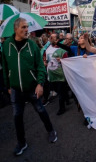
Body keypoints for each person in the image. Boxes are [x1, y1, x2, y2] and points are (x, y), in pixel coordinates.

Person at [2, 18, 57, 156]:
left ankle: (51, 130)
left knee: (40, 110)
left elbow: (40, 67)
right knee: (17, 117)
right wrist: (8, 86)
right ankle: (22, 142)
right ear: (16, 29)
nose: (27, 30)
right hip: (15, 90)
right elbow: (5, 67)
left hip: (32, 88)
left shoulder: (32, 45)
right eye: (23, 27)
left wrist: (40, 83)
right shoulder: (7, 45)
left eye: (27, 27)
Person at [43, 33, 69, 115]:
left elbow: (67, 62)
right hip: (51, 74)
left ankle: (62, 108)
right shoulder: (47, 49)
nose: (50, 38)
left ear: (57, 40)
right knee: (57, 90)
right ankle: (67, 98)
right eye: (50, 36)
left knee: (60, 91)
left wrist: (62, 60)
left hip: (60, 74)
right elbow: (45, 59)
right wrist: (44, 62)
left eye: (52, 37)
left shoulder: (62, 50)